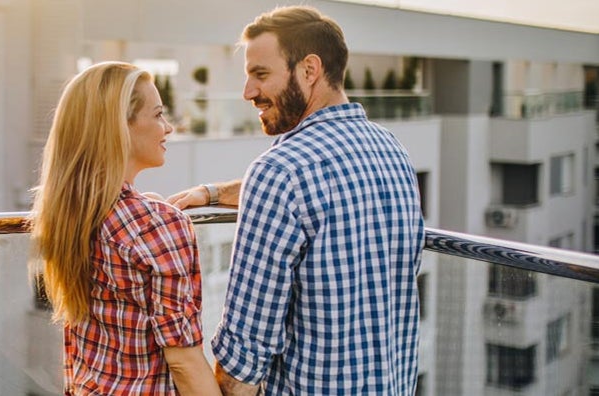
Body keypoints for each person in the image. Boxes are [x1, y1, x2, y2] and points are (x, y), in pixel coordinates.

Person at [167, 6, 425, 395]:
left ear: (309, 70)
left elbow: (241, 367)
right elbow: (318, 186)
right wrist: (217, 193)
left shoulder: (281, 173)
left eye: (261, 74)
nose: (248, 92)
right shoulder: (391, 151)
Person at [28, 61, 220, 395]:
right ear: (120, 127)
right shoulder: (156, 226)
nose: (168, 128)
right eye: (158, 115)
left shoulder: (67, 212)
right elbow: (184, 362)